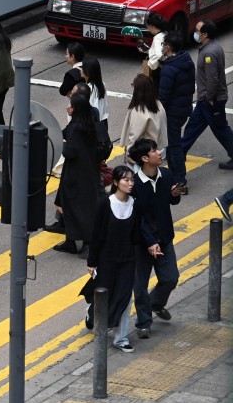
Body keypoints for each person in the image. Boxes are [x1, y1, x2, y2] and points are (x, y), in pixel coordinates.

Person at [87, 165, 149, 352]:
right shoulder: (105, 204)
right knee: (104, 296)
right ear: (115, 182)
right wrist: (92, 262)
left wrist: (151, 244)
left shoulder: (135, 204)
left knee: (124, 297)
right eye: (126, 180)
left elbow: (137, 234)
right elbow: (96, 234)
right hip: (106, 259)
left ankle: (120, 338)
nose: (130, 183)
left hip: (128, 259)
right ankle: (91, 315)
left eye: (132, 180)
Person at [128, 138, 180, 339]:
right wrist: (150, 242)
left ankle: (156, 304)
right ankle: (143, 322)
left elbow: (170, 202)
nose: (159, 153)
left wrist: (174, 194)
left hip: (165, 238)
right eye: (154, 151)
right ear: (144, 158)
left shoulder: (166, 175)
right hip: (141, 243)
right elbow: (138, 219)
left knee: (170, 278)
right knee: (139, 286)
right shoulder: (134, 186)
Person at [176, 19, 233, 180]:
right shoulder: (213, 47)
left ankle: (179, 154)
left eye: (198, 30)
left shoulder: (209, 53)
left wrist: (209, 99)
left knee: (220, 129)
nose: (195, 32)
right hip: (208, 100)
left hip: (211, 100)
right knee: (194, 127)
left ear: (205, 34)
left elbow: (212, 80)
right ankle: (180, 153)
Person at [55, 91, 101, 255]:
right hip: (88, 171)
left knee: (74, 208)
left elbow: (70, 151)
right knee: (83, 207)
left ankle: (79, 242)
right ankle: (75, 241)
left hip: (75, 173)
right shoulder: (87, 123)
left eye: (70, 105)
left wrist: (61, 144)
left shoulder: (76, 129)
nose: (67, 107)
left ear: (75, 109)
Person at [156, 32, 195, 190]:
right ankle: (174, 176)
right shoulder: (186, 60)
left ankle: (180, 180)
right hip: (184, 109)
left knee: (174, 145)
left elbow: (164, 97)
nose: (162, 47)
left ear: (168, 47)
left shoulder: (169, 69)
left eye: (164, 44)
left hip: (172, 112)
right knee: (173, 144)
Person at [120, 74, 166, 161]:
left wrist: (129, 154)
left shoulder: (139, 111)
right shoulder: (157, 104)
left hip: (142, 155)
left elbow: (135, 136)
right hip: (157, 150)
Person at [141, 13, 169, 85]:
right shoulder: (165, 33)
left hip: (158, 70)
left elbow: (159, 54)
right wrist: (148, 50)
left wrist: (150, 64)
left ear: (152, 26)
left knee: (156, 90)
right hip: (166, 67)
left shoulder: (157, 38)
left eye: (148, 26)